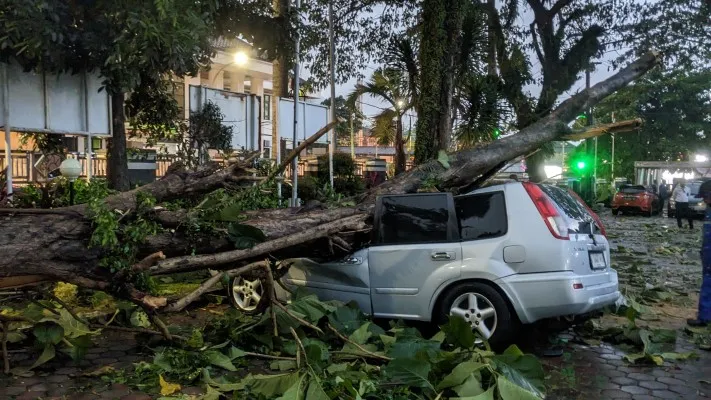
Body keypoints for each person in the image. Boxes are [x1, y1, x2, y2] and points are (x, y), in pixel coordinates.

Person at [688, 180, 711, 327]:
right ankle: (705, 315)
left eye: (705, 196)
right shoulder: (709, 210)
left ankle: (705, 317)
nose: (703, 200)